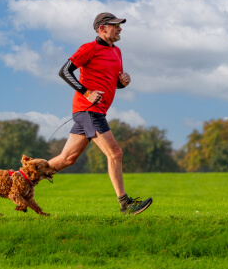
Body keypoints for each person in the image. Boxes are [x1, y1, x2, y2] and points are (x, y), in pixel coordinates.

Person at [49, 12, 153, 215]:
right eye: (115, 25)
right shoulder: (89, 48)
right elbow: (65, 71)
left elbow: (112, 83)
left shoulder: (117, 52)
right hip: (88, 111)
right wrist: (86, 93)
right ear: (102, 28)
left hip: (96, 112)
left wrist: (121, 83)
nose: (120, 28)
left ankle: (21, 179)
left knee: (67, 159)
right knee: (115, 153)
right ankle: (125, 203)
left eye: (119, 25)